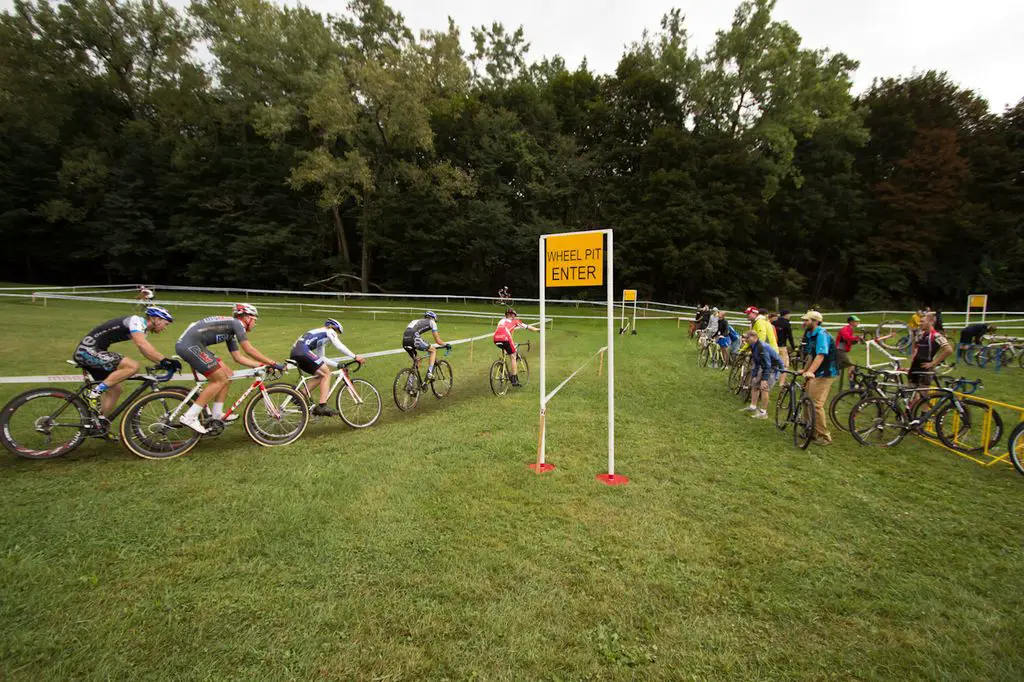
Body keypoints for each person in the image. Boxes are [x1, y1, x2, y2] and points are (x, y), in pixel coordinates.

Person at [175, 304, 285, 434]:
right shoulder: (236, 324)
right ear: (247, 318)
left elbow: (238, 357)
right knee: (219, 379)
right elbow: (248, 349)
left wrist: (260, 365)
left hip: (193, 345)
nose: (255, 324)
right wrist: (272, 363)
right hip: (191, 346)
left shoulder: (230, 329)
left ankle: (217, 415)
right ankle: (190, 417)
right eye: (254, 320)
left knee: (228, 374)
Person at [73, 306, 180, 417]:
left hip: (92, 352)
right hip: (87, 351)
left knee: (115, 390)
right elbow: (141, 344)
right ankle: (94, 393)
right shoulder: (136, 321)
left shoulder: (141, 328)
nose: (165, 327)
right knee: (132, 366)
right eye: (165, 324)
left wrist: (163, 363)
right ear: (156, 319)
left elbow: (145, 351)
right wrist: (164, 360)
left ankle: (99, 423)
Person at [291, 318, 365, 416]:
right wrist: (355, 356)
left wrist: (337, 365)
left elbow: (321, 357)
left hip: (296, 352)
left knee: (321, 375)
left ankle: (298, 396)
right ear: (333, 327)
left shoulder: (320, 337)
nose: (337, 335)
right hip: (302, 351)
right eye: (337, 332)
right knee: (327, 373)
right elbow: (339, 346)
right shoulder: (329, 331)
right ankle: (322, 406)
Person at [800, 310, 839, 446]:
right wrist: (805, 370)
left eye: (807, 320)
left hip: (826, 373)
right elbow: (811, 355)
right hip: (816, 372)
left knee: (816, 404)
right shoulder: (811, 334)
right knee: (806, 400)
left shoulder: (822, 334)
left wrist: (810, 372)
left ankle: (825, 436)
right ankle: (810, 430)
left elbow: (821, 355)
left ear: (815, 321)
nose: (804, 322)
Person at [739, 330, 784, 419]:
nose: (745, 339)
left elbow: (768, 364)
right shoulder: (753, 346)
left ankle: (763, 413)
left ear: (754, 337)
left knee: (764, 388)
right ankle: (753, 406)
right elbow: (756, 361)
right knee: (754, 384)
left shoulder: (762, 347)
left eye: (747, 337)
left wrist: (764, 379)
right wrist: (755, 374)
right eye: (745, 337)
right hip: (763, 367)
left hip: (772, 368)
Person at [493, 308, 539, 387]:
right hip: (506, 338)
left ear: (506, 315)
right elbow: (527, 327)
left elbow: (502, 331)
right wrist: (537, 329)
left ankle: (501, 365)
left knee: (505, 349)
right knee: (513, 356)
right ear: (513, 315)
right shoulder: (516, 321)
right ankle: (514, 379)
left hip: (496, 338)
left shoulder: (501, 321)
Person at [909, 312, 952, 389]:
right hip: (915, 366)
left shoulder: (936, 336)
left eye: (922, 321)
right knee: (910, 392)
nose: (920, 323)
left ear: (931, 322)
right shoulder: (920, 334)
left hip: (925, 368)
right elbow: (915, 346)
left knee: (922, 395)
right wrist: (913, 356)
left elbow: (948, 350)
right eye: (920, 321)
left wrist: (933, 363)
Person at [403, 311, 450, 380]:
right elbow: (438, 340)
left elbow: (410, 332)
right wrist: (446, 344)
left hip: (405, 340)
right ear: (433, 318)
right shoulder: (432, 322)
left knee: (417, 360)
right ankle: (430, 373)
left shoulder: (415, 321)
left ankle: (410, 383)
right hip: (414, 338)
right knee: (433, 350)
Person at [836, 315, 865, 381]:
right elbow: (847, 338)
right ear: (851, 322)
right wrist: (857, 338)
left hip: (841, 350)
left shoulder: (850, 330)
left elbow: (848, 341)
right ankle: (851, 382)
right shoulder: (845, 329)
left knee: (837, 367)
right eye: (856, 321)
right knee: (851, 365)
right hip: (840, 350)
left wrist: (857, 341)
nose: (858, 323)